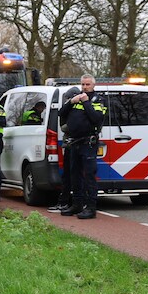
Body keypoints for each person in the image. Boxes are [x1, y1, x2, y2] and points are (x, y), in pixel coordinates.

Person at [58, 74, 107, 219]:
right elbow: (61, 113)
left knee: (89, 175)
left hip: (88, 143)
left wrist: (86, 103)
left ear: (93, 85)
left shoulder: (98, 100)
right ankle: (77, 204)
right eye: (83, 84)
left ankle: (91, 207)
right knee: (75, 175)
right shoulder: (76, 98)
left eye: (87, 85)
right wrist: (70, 102)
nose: (85, 87)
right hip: (74, 142)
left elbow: (97, 118)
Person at [49, 87, 81, 213]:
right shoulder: (67, 108)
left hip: (79, 143)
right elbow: (63, 126)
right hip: (69, 144)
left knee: (76, 175)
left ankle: (73, 202)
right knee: (67, 174)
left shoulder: (84, 107)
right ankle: (65, 201)